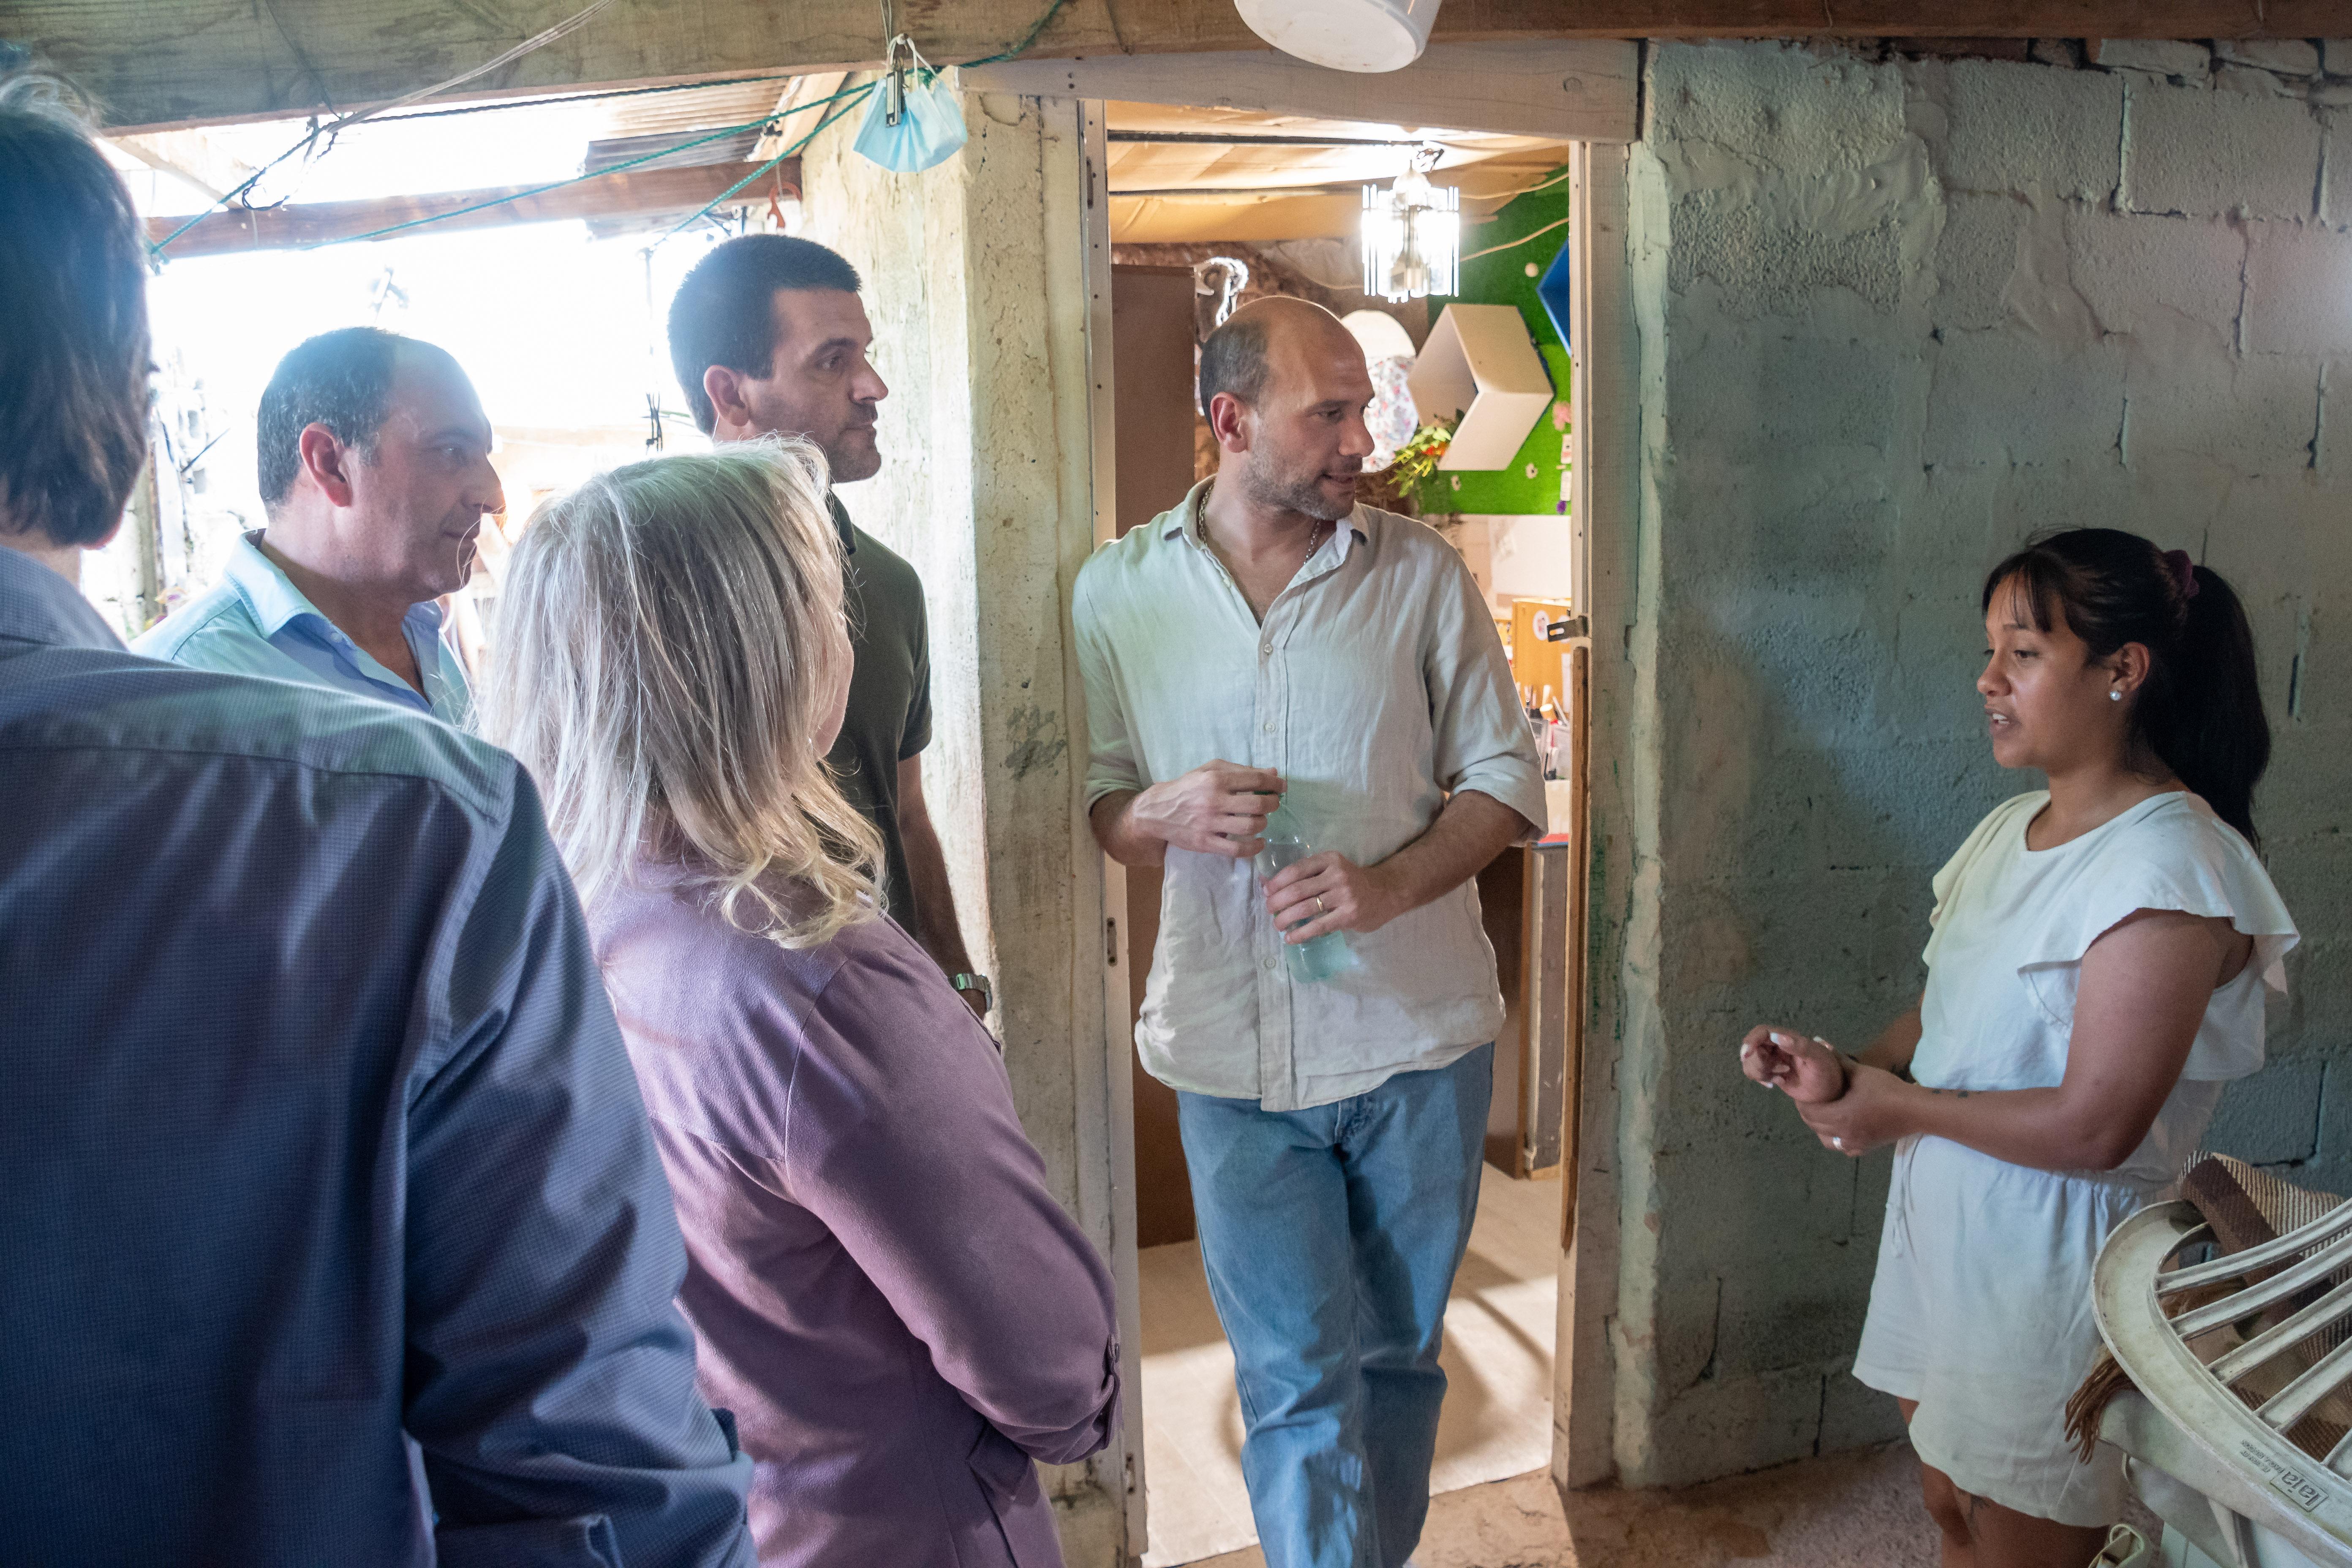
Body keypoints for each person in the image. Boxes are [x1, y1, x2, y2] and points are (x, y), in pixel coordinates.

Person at [0, 70, 756, 1565]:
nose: (490, 487)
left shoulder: (431, 704)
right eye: (453, 448)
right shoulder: (392, 820)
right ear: (113, 423)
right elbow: (586, 1477)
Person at [478, 439, 1122, 1568]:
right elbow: (1046, 1364)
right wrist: (1086, 1404)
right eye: (822, 601)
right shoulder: (816, 980)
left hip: (724, 1519)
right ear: (772, 658)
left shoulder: (551, 925)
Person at [1073, 296, 1546, 1568]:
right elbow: (1100, 806)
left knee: (1393, 1362)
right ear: (1229, 421)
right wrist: (1154, 810)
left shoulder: (1421, 576)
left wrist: (1388, 886)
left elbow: (1507, 782)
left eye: (1364, 408)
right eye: (1326, 412)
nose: (1361, 440)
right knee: (1290, 1380)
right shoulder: (1116, 591)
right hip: (1229, 1057)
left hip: (1415, 1042)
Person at [1740, 529, 2297, 1568]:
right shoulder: (2010, 831)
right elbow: (1948, 1008)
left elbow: (2096, 1126)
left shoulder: (2171, 863)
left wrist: (1893, 1110)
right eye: (1990, 649)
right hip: (1953, 1235)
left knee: (2024, 1536)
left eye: (2023, 653)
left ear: (2121, 670)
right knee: (1953, 1505)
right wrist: (1851, 1069)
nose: (1987, 678)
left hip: (2056, 1267)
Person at [666, 235, 988, 1015]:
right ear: (732, 395)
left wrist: (954, 981)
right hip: (736, 1032)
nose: (872, 386)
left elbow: (905, 813)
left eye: (865, 356)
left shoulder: (887, 584)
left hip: (890, 1012)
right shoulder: (655, 591)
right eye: (831, 361)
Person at [133, 325, 498, 724]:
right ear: (330, 464)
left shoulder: (423, 635)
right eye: (450, 452)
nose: (495, 497)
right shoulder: (174, 690)